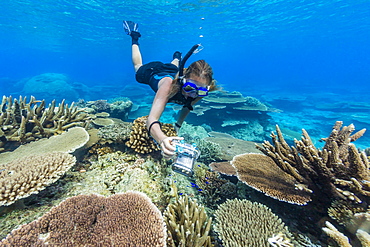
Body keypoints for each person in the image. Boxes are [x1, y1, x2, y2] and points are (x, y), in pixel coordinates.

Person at [123, 21, 217, 159]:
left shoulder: (201, 90)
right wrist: (162, 139)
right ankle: (134, 37)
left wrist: (178, 126)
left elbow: (187, 106)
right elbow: (151, 119)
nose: (193, 94)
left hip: (173, 71)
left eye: (200, 91)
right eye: (189, 88)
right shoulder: (168, 85)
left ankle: (177, 58)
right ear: (182, 80)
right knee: (138, 67)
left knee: (173, 67)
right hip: (152, 72)